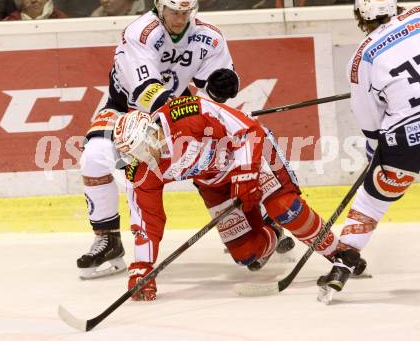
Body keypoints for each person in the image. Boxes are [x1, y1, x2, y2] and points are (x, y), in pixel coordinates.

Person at [111, 96, 367, 300]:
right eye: (135, 154)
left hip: (252, 153)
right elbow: (147, 219)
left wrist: (245, 173)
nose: (143, 158)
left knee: (284, 207)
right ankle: (273, 231)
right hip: (214, 182)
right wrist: (142, 266)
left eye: (142, 149)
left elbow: (248, 131)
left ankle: (338, 253)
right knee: (248, 254)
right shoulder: (141, 169)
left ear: (152, 133)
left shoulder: (186, 112)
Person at [77, 0, 241, 280]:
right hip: (126, 108)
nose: (180, 18)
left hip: (173, 108)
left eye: (186, 11)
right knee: (94, 156)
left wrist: (223, 86)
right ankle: (108, 239)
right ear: (159, 4)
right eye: (173, 11)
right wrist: (185, 114)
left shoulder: (210, 35)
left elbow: (219, 83)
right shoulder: (139, 33)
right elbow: (146, 92)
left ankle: (246, 220)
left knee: (221, 154)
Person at [318, 0, 420, 295]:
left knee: (372, 198)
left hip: (407, 137)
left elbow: (369, 119)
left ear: (360, 16)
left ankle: (345, 260)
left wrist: (375, 149)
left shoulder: (363, 58)